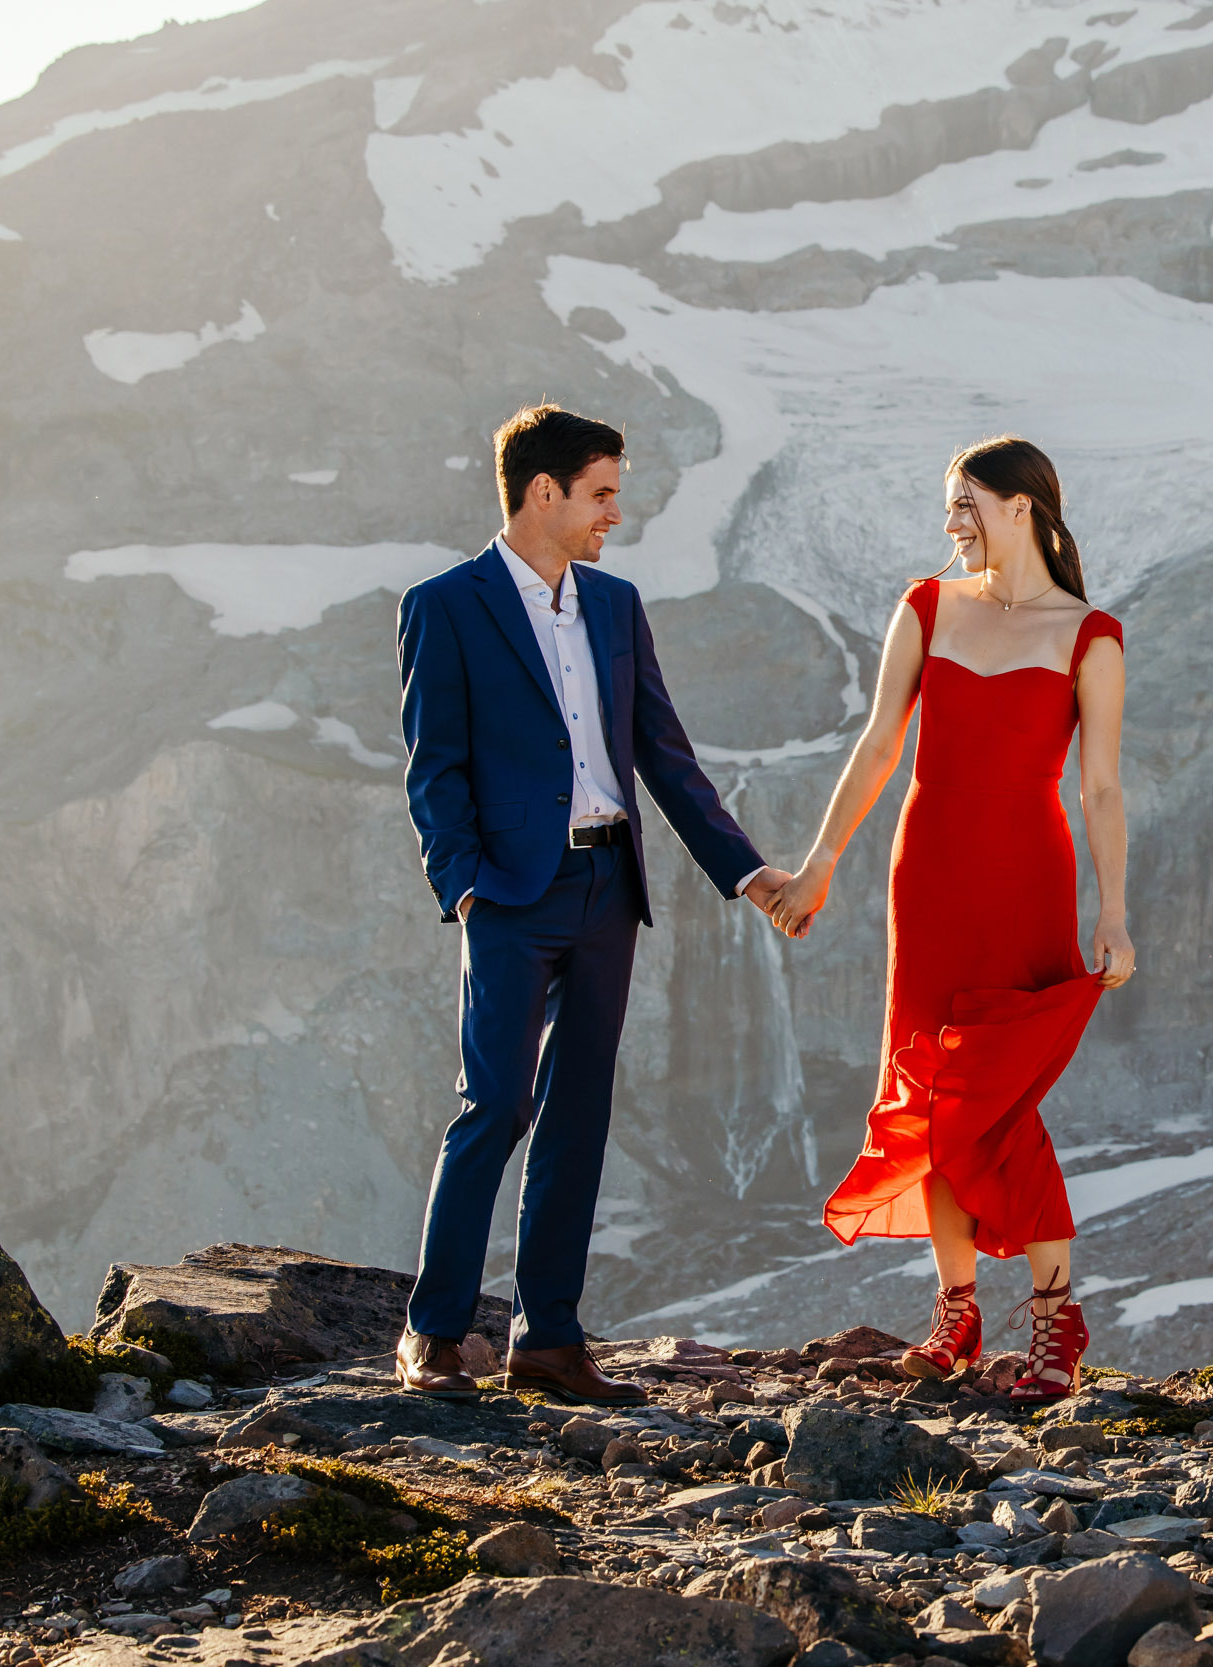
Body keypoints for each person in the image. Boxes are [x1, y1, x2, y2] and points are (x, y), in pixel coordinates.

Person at [394, 403, 790, 1405]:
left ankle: (548, 1339)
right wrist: (465, 881)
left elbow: (665, 754)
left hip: (610, 887)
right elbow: (433, 767)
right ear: (544, 493)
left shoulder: (615, 606)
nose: (616, 511)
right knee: (497, 1100)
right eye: (603, 493)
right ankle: (433, 1332)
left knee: (579, 1111)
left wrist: (747, 872)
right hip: (511, 894)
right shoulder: (445, 606)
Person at [766, 435, 1134, 1406]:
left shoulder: (1091, 635)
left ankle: (1057, 1318)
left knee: (997, 1095)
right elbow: (882, 742)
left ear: (1023, 507)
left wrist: (1116, 910)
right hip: (926, 876)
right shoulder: (926, 607)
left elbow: (1099, 787)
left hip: (1027, 881)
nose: (950, 522)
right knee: (931, 1089)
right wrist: (821, 862)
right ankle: (957, 1311)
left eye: (965, 503)